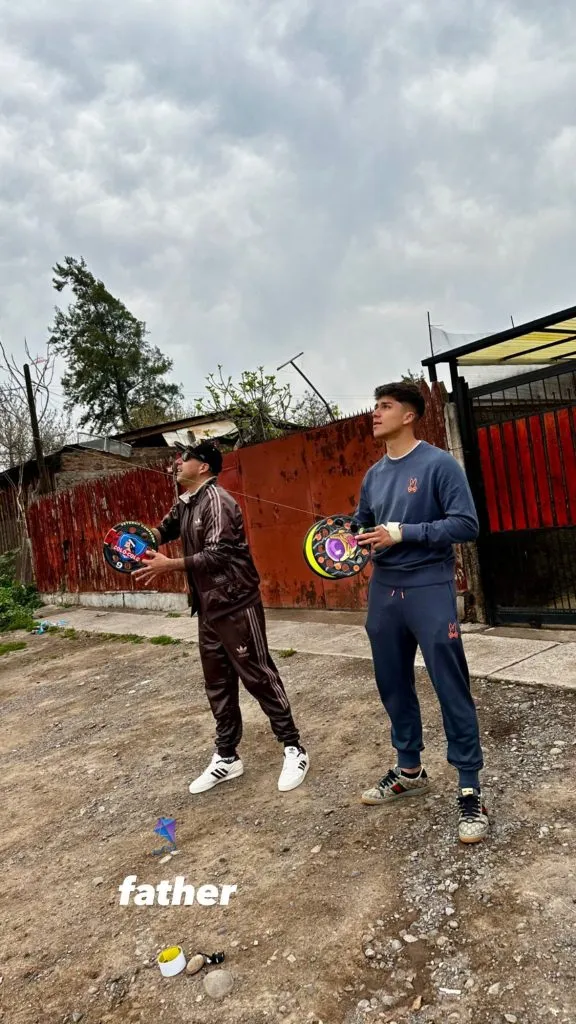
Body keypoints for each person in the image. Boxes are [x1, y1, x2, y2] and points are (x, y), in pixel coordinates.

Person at [134, 440, 309, 795]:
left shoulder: (218, 502)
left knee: (258, 675)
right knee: (217, 683)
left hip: (235, 603)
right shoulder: (186, 503)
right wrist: (133, 538)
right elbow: (162, 530)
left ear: (203, 467)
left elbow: (218, 554)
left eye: (185, 458)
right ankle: (227, 757)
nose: (178, 463)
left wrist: (171, 565)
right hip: (209, 608)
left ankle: (294, 748)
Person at [354, 382, 489, 844]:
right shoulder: (373, 475)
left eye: (385, 406)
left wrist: (403, 532)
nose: (375, 413)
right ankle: (409, 770)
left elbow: (466, 524)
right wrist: (345, 540)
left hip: (429, 584)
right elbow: (363, 525)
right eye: (375, 406)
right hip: (384, 588)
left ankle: (470, 786)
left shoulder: (438, 464)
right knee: (392, 682)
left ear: (409, 415)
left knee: (450, 683)